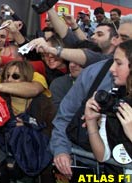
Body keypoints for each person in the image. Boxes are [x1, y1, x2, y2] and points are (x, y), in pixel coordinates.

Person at [49, 14, 132, 178]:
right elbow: (65, 116)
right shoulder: (95, 73)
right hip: (94, 170)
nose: (117, 42)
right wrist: (61, 149)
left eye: (125, 38)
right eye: (118, 37)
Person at [84, 40, 132, 175]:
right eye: (112, 62)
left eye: (119, 63)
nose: (111, 69)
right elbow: (102, 156)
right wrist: (91, 121)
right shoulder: (115, 100)